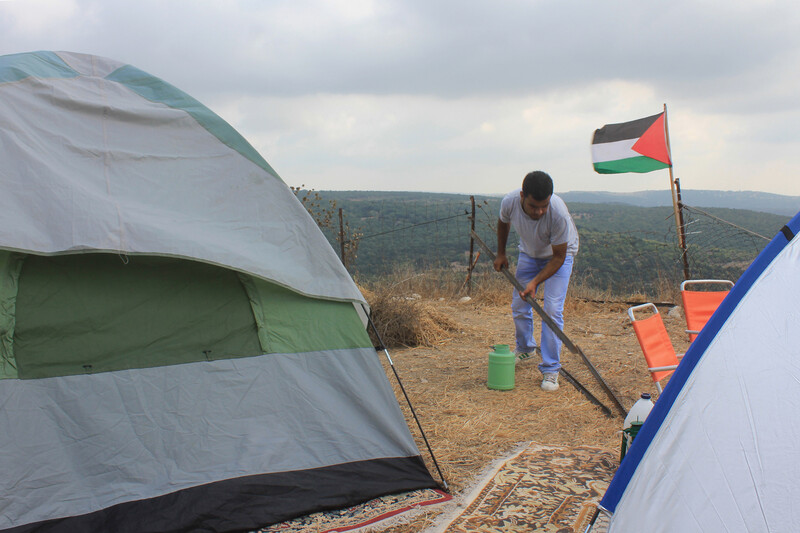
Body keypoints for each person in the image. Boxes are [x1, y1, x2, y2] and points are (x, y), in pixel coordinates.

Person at [493, 171, 579, 391]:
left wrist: (534, 283)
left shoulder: (558, 213)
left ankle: (551, 369)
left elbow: (559, 257)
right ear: (523, 195)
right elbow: (503, 223)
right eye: (534, 206)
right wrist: (501, 253)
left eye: (544, 206)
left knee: (551, 310)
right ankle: (526, 348)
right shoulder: (510, 202)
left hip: (559, 258)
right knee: (520, 304)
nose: (540, 211)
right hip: (529, 254)